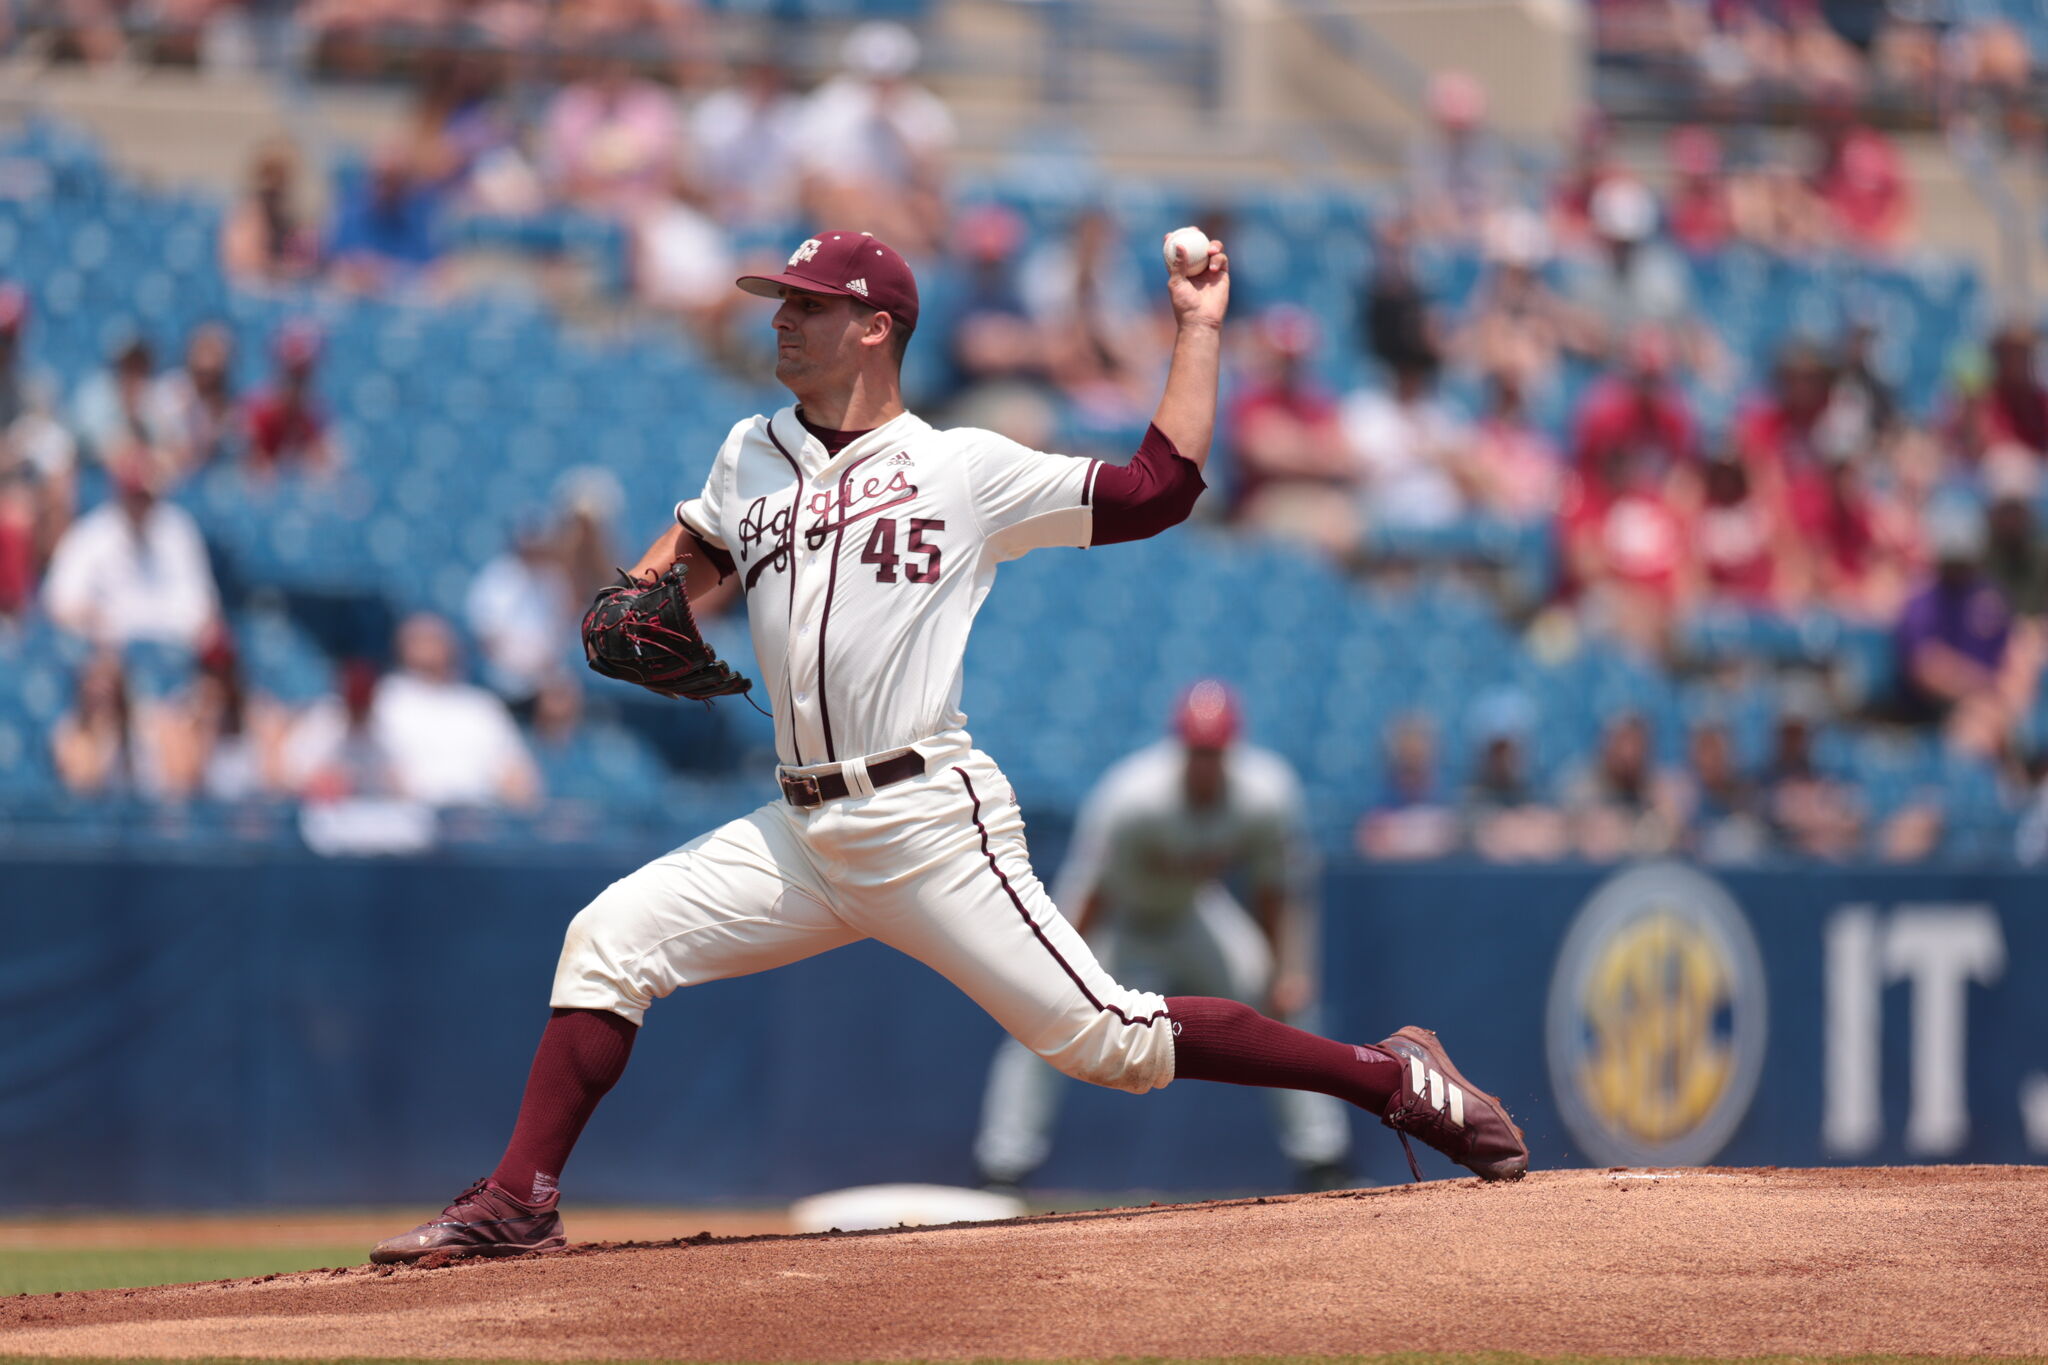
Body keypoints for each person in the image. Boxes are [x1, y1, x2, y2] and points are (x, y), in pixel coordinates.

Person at [369, 228, 1527, 1264]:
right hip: (802, 826)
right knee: (609, 938)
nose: (781, 315)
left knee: (1108, 1042)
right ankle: (520, 1197)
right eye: (779, 298)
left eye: (807, 303)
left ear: (875, 326)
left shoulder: (959, 467)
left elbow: (1156, 490)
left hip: (927, 816)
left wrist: (1194, 328)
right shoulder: (751, 451)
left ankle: (1391, 1077)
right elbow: (693, 557)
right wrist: (640, 585)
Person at [975, 682, 1352, 1194]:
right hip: (1122, 924)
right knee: (1045, 1019)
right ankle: (1003, 1164)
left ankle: (1322, 1156)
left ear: (1232, 750)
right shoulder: (1133, 797)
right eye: (1197, 751)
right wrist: (1052, 976)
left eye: (1214, 752)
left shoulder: (1265, 794)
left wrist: (1288, 970)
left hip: (1193, 913)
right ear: (1179, 747)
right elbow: (1086, 896)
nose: (1205, 762)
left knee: (1285, 1003)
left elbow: (1279, 891)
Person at [42, 448, 220, 648]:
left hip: (175, 648)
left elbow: (202, 601)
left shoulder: (178, 528)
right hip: (114, 651)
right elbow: (60, 600)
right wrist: (92, 617)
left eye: (144, 496)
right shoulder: (92, 534)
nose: (139, 504)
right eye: (133, 496)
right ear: (120, 494)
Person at [371, 612, 540, 809]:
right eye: (420, 638)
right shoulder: (384, 699)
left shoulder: (481, 705)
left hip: (481, 818)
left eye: (435, 638)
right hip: (413, 819)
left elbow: (519, 774)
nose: (429, 645)